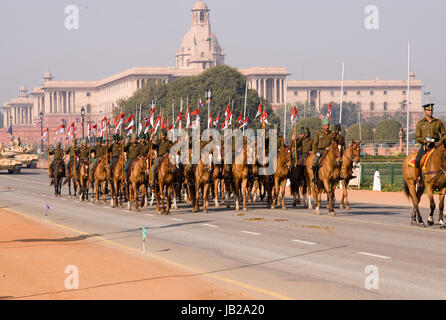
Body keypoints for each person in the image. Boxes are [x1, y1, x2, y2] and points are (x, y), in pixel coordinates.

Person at [414, 103, 446, 180]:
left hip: (437, 145)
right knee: (418, 160)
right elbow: (417, 137)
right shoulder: (420, 123)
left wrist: (440, 142)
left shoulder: (438, 122)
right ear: (424, 111)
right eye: (428, 110)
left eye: (431, 110)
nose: (430, 111)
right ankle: (418, 178)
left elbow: (444, 134)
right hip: (426, 145)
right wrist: (423, 141)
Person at [311, 118, 334, 184]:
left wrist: (329, 148)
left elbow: (332, 143)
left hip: (328, 151)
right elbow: (315, 144)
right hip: (319, 151)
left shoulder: (331, 134)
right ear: (323, 126)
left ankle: (338, 175)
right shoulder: (318, 134)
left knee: (337, 161)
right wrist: (316, 152)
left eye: (328, 125)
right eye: (326, 125)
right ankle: (315, 177)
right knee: (315, 162)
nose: (327, 127)